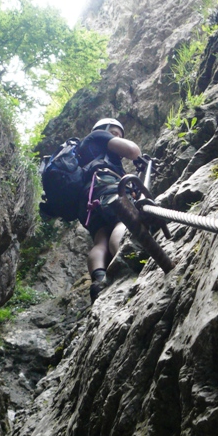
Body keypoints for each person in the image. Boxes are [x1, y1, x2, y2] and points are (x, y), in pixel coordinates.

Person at [78, 118, 141, 303]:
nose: (116, 137)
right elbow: (133, 151)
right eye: (114, 133)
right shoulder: (97, 136)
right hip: (107, 187)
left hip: (88, 201)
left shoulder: (84, 155)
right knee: (122, 221)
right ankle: (127, 258)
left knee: (100, 238)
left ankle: (98, 280)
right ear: (102, 130)